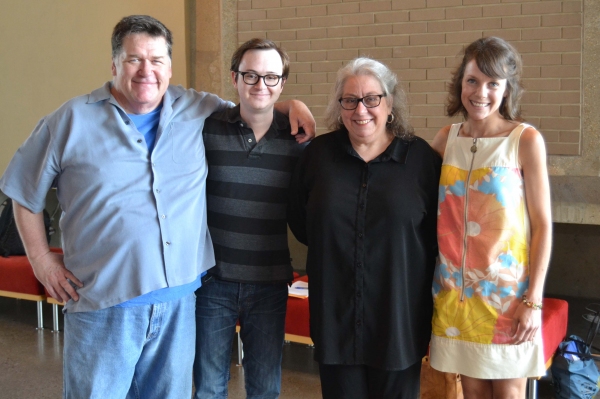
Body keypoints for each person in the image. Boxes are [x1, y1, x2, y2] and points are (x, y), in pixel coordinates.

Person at [0, 15, 314, 399]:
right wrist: (41, 260)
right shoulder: (69, 120)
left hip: (179, 307)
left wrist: (291, 105)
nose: (147, 70)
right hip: (104, 306)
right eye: (134, 59)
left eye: (158, 60)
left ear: (169, 67)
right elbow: (23, 192)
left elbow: (253, 105)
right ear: (114, 64)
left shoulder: (195, 108)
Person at [288, 57, 441, 399]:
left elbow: (435, 238)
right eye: (350, 100)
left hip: (398, 322)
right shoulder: (317, 157)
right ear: (339, 107)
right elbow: (302, 223)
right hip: (336, 321)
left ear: (390, 104)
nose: (361, 110)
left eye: (372, 98)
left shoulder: (421, 161)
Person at [429, 37, 552, 399]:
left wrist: (533, 300)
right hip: (457, 298)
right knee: (472, 392)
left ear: (506, 88)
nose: (480, 92)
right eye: (472, 80)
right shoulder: (445, 139)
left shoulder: (524, 140)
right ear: (460, 83)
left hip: (508, 301)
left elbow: (543, 224)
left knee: (510, 394)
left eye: (492, 83)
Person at [193, 39, 306, 399]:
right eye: (251, 75)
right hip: (214, 281)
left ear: (282, 84)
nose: (261, 85)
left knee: (265, 387)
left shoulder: (297, 140)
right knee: (209, 386)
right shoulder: (207, 129)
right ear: (235, 78)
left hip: (269, 283)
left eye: (271, 77)